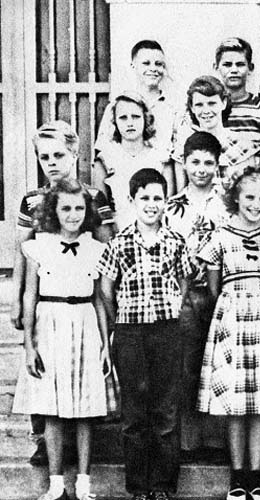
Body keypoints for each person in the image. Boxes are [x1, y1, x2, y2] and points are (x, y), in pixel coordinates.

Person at [12, 121, 115, 468]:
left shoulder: (92, 197)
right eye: (45, 157)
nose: (52, 163)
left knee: (82, 369)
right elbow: (22, 251)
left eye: (59, 155)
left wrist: (106, 300)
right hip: (45, 295)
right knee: (43, 368)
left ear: (74, 154)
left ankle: (85, 441)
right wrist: (17, 297)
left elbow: (104, 249)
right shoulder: (32, 199)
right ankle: (44, 439)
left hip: (83, 294)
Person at [196, 167, 260, 500]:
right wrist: (237, 307)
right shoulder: (220, 237)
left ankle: (256, 476)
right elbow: (214, 289)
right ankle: (237, 477)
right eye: (249, 197)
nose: (255, 205)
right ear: (236, 198)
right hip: (232, 321)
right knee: (235, 402)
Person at [98, 168, 194, 500]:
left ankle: (164, 486)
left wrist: (171, 309)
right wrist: (120, 325)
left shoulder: (175, 242)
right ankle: (139, 487)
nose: (151, 204)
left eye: (157, 198)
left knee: (165, 411)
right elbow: (107, 291)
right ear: (132, 200)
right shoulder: (120, 242)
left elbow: (184, 282)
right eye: (145, 198)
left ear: (166, 202)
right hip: (131, 333)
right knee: (135, 412)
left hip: (166, 332)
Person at [163, 132, 230, 464]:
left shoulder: (228, 203)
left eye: (208, 163)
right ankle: (189, 440)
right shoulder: (172, 206)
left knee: (219, 364)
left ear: (218, 165)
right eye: (195, 162)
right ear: (185, 163)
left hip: (223, 292)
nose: (201, 169)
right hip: (186, 293)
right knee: (187, 365)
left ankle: (218, 440)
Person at [93, 92, 171, 227]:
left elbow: (168, 206)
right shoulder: (105, 159)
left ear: (146, 119)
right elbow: (101, 211)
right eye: (123, 118)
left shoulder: (161, 158)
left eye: (136, 117)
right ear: (114, 122)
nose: (130, 123)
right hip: (118, 232)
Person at [172, 76, 260, 191]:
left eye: (212, 103)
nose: (206, 110)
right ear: (192, 108)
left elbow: (248, 193)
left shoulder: (243, 146)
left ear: (223, 103)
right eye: (199, 105)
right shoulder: (183, 146)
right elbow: (181, 193)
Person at [96, 40, 178, 154]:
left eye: (159, 64)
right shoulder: (116, 107)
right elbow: (103, 149)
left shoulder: (173, 109)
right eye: (146, 63)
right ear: (133, 66)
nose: (153, 68)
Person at [214, 38, 260, 150]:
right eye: (227, 65)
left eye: (240, 64)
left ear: (250, 68)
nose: (234, 70)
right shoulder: (209, 107)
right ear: (216, 68)